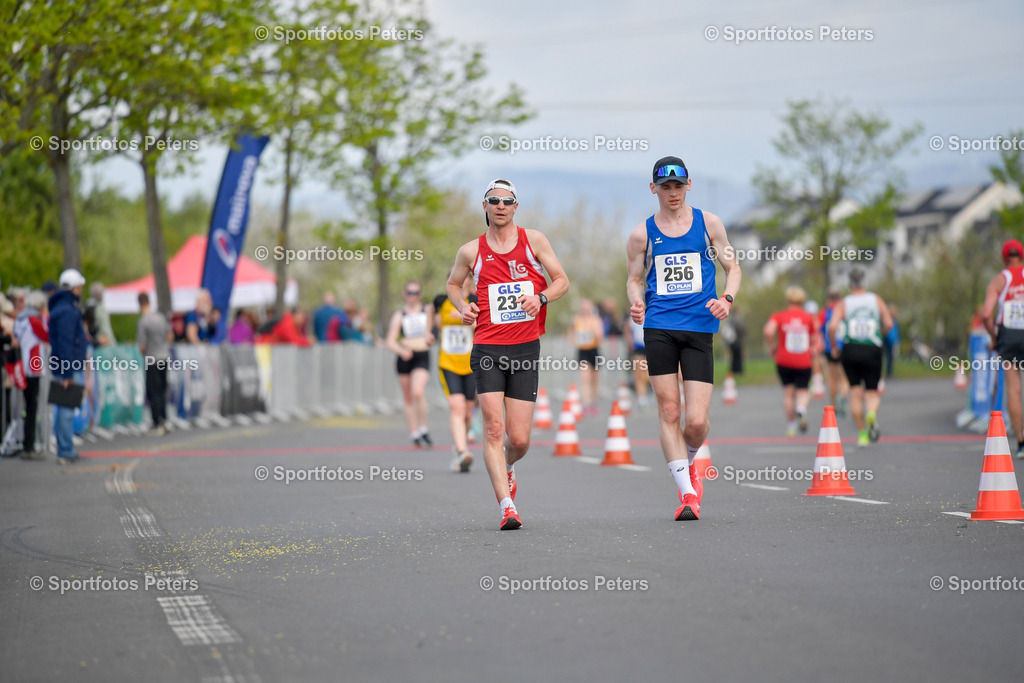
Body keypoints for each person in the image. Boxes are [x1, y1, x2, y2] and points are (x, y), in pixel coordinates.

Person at [446, 178, 570, 530]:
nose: (501, 206)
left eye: (507, 201)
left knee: (519, 439)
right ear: (484, 206)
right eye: (494, 200)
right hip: (487, 347)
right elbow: (453, 284)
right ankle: (506, 506)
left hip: (525, 348)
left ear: (516, 206)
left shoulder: (535, 241)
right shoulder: (471, 251)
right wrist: (463, 307)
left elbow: (561, 279)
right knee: (493, 428)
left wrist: (541, 297)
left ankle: (508, 465)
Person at [626, 156, 741, 522]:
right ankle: (687, 493)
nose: (672, 193)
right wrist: (637, 302)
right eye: (665, 187)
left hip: (699, 327)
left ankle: (690, 460)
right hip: (658, 325)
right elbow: (633, 278)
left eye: (678, 186)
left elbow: (732, 267)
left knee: (695, 422)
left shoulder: (709, 224)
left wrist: (727, 299)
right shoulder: (641, 234)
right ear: (653, 189)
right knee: (669, 410)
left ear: (688, 185)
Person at [828, 267, 893, 447]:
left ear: (849, 283)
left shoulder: (844, 302)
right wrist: (881, 333)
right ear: (864, 281)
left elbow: (832, 327)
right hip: (872, 348)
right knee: (871, 392)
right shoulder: (875, 299)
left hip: (851, 348)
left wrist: (834, 346)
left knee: (855, 392)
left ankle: (862, 433)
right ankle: (871, 413)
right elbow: (889, 322)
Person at [982, 239, 1024, 458]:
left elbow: (986, 314)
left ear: (1004, 257)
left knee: (1013, 389)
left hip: (1009, 335)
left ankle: (1022, 442)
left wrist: (994, 337)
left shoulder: (1000, 280)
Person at [434, 276, 478, 472]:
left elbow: (483, 327)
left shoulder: (476, 301)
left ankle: (459, 447)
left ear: (470, 279)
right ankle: (462, 452)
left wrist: (467, 319)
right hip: (448, 362)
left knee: (468, 413)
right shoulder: (441, 301)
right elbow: (432, 321)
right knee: (457, 407)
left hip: (470, 364)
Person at [764, 286, 819, 436]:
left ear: (788, 300)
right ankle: (801, 409)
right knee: (803, 390)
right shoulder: (808, 318)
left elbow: (768, 331)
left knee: (788, 393)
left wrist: (772, 346)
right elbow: (814, 340)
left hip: (784, 360)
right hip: (803, 360)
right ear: (802, 301)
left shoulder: (779, 316)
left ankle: (791, 425)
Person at [386, 280, 435, 448]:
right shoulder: (400, 316)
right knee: (407, 396)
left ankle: (423, 428)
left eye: (415, 293)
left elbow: (433, 331)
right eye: (409, 293)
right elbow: (390, 341)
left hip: (422, 356)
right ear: (404, 294)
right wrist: (401, 351)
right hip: (405, 357)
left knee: (418, 391)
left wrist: (430, 338)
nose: (412, 297)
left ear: (420, 295)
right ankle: (414, 432)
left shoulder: (427, 312)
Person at [49, 269, 89, 464]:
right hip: (69, 366)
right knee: (66, 409)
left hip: (67, 365)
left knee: (65, 407)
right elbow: (65, 342)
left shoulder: (63, 307)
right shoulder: (67, 310)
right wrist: (67, 372)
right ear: (75, 287)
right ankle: (65, 449)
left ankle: (65, 448)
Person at [13, 290, 48, 459]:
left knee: (26, 406)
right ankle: (29, 445)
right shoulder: (34, 320)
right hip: (33, 366)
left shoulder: (20, 318)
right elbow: (46, 335)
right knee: (32, 407)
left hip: (22, 364)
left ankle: (26, 442)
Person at [136, 292, 172, 435]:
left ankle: (157, 423)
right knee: (162, 390)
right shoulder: (161, 318)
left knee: (153, 391)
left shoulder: (143, 321)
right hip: (164, 356)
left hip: (152, 358)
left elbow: (142, 345)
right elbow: (170, 335)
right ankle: (166, 420)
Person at [568, 299, 604, 416]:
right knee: (585, 378)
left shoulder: (595, 320)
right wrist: (573, 340)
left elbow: (600, 334)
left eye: (587, 308)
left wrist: (594, 332)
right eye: (584, 308)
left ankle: (593, 401)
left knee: (594, 379)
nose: (585, 310)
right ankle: (586, 403)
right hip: (583, 350)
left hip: (594, 350)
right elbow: (571, 331)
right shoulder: (576, 319)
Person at [820, 288, 850, 417]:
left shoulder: (824, 313)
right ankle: (842, 396)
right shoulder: (844, 311)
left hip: (829, 349)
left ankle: (834, 406)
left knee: (832, 378)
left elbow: (819, 329)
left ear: (828, 300)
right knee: (845, 377)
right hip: (844, 347)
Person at [623, 312, 650, 409]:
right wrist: (630, 342)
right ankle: (641, 397)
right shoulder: (633, 316)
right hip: (638, 348)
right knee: (638, 374)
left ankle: (648, 391)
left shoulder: (651, 313)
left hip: (650, 346)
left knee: (648, 374)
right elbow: (627, 330)